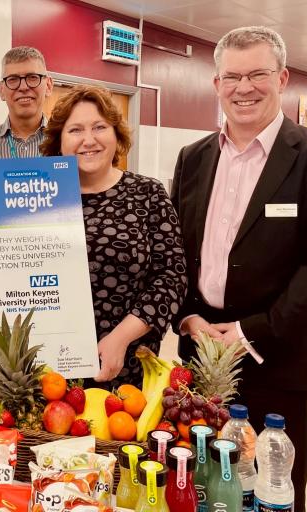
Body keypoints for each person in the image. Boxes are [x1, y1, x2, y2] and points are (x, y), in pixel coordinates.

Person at [171, 26, 307, 512]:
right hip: (200, 353)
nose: (244, 87)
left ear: (282, 78)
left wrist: (253, 332)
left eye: (257, 74)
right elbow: (176, 251)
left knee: (271, 490)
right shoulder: (193, 158)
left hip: (277, 360)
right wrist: (185, 317)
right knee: (200, 482)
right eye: (232, 76)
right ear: (216, 84)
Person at [39, 84, 187, 389]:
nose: (88, 140)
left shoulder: (148, 193)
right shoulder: (38, 196)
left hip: (127, 366)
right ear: (59, 141)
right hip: (47, 368)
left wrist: (120, 338)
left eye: (99, 127)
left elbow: (172, 276)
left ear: (116, 134)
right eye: (75, 129)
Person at [0, 46, 53, 159]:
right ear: (1, 90)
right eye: (13, 79)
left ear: (48, 85)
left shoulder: (66, 144)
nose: (23, 87)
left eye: (32, 77)